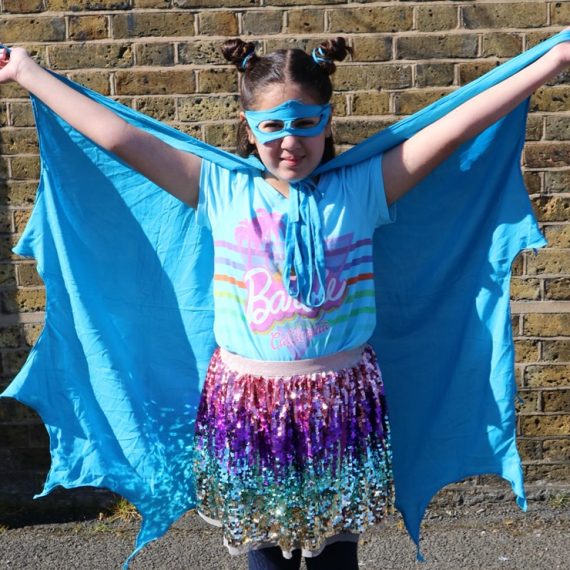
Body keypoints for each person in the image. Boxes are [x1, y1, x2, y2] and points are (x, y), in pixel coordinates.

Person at [0, 33, 569, 570]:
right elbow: (119, 137)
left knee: (336, 557)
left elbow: (457, 127)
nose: (289, 141)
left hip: (341, 403)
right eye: (271, 126)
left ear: (328, 122)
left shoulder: (363, 188)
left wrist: (552, 62)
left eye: (304, 123)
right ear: (248, 129)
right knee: (265, 556)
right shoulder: (219, 189)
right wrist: (25, 70)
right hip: (247, 404)